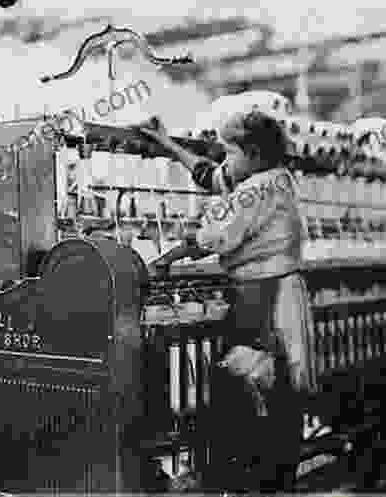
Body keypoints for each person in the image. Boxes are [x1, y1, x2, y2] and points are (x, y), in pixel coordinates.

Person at [137, 110, 314, 493]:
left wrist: (162, 261)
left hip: (268, 302)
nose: (226, 161)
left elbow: (213, 236)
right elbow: (210, 176)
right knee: (267, 395)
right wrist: (166, 142)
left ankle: (255, 483)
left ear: (252, 153)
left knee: (256, 392)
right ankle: (266, 481)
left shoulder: (260, 189)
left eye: (230, 152)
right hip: (269, 296)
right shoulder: (269, 178)